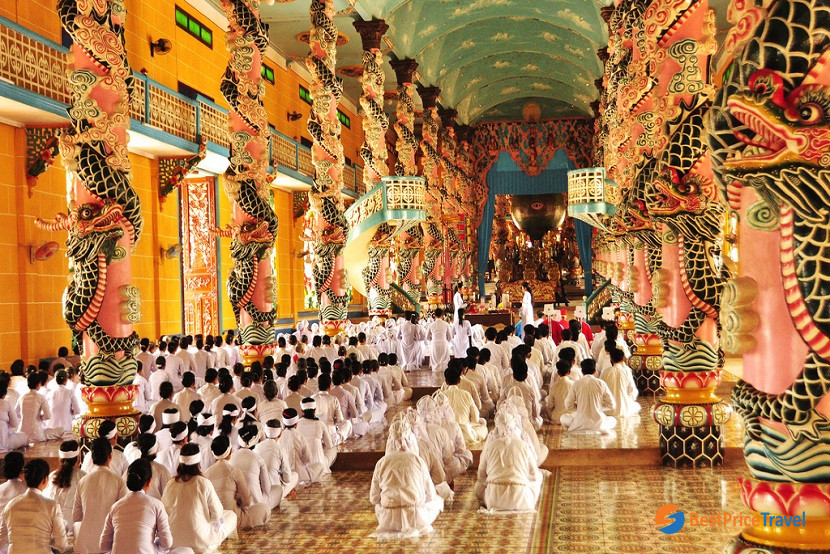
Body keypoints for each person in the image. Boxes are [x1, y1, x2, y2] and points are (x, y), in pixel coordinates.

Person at [369, 419, 443, 539]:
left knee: (377, 506)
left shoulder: (381, 462)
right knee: (438, 501)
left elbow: (373, 498)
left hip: (388, 520)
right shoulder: (418, 460)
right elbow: (430, 496)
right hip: (416, 518)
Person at [162, 443, 236, 552]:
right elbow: (217, 512)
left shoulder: (171, 483)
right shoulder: (203, 482)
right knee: (231, 515)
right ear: (198, 463)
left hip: (174, 541)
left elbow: (164, 511)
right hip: (200, 541)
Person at [99, 459, 176, 554]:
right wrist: (153, 545)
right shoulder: (156, 505)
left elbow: (103, 546)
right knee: (186, 551)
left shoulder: (116, 506)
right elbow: (167, 543)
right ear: (149, 481)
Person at [476, 410, 542, 512]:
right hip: (521, 498)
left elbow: (481, 475)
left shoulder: (491, 445)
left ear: (497, 427)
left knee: (478, 486)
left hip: (494, 499)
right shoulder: (523, 444)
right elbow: (533, 474)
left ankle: (491, 501)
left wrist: (491, 480)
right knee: (539, 477)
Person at [0, 458, 68, 553]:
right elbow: (62, 545)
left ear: (25, 478)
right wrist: (46, 540)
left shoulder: (10, 505)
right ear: (45, 480)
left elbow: (1, 542)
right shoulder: (52, 506)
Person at [73, 438, 128, 553]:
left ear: (92, 458)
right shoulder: (118, 481)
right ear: (111, 456)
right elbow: (123, 517)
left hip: (85, 545)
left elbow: (76, 517)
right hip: (109, 544)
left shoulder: (83, 481)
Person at [204, 435, 269, 532]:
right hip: (234, 519)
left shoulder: (206, 473)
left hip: (214, 520)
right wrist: (239, 503)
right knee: (265, 509)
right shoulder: (234, 471)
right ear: (230, 451)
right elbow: (247, 500)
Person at [561, 359, 617, 433]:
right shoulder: (601, 383)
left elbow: (568, 405)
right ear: (594, 370)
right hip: (598, 424)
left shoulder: (576, 383)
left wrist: (581, 407)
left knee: (563, 417)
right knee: (613, 420)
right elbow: (612, 405)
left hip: (579, 423)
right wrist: (597, 407)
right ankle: (598, 429)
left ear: (582, 371)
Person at [44, 440, 84, 535]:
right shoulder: (83, 476)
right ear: (78, 459)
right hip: (75, 529)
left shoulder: (51, 476)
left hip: (53, 528)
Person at [442, 361, 487, 443]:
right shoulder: (466, 394)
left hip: (446, 435)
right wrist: (469, 424)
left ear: (446, 381)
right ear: (459, 380)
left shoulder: (440, 396)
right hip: (464, 434)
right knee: (483, 425)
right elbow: (476, 417)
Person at [254, 419, 299, 500]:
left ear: (265, 433)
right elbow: (287, 478)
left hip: (258, 492)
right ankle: (285, 493)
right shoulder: (280, 448)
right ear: (280, 433)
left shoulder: (257, 447)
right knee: (295, 475)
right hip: (273, 493)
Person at [279, 408, 325, 484]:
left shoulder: (279, 437)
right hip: (300, 476)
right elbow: (307, 459)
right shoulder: (300, 436)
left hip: (283, 476)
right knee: (320, 466)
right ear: (296, 423)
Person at [16, 372, 62, 443]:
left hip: (22, 433)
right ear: (38, 384)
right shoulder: (40, 397)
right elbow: (48, 416)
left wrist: (25, 416)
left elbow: (16, 413)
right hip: (37, 434)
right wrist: (39, 417)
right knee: (60, 430)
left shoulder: (22, 397)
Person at [297, 398, 336, 473]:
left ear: (302, 410)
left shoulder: (297, 424)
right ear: (315, 409)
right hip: (319, 465)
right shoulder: (320, 423)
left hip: (302, 465)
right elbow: (329, 445)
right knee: (333, 449)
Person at [600, 348, 641, 418]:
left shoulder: (605, 372)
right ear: (623, 359)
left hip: (607, 410)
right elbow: (632, 390)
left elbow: (600, 389)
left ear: (611, 359)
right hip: (623, 409)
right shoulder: (626, 372)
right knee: (637, 406)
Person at [45, 369, 79, 435]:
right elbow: (77, 410)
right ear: (66, 380)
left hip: (51, 428)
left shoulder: (50, 393)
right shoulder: (69, 392)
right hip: (66, 428)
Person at [0, 379, 26, 452]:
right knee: (24, 437)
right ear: (4, 392)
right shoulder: (6, 403)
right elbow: (14, 424)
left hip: (4, 439)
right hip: (4, 442)